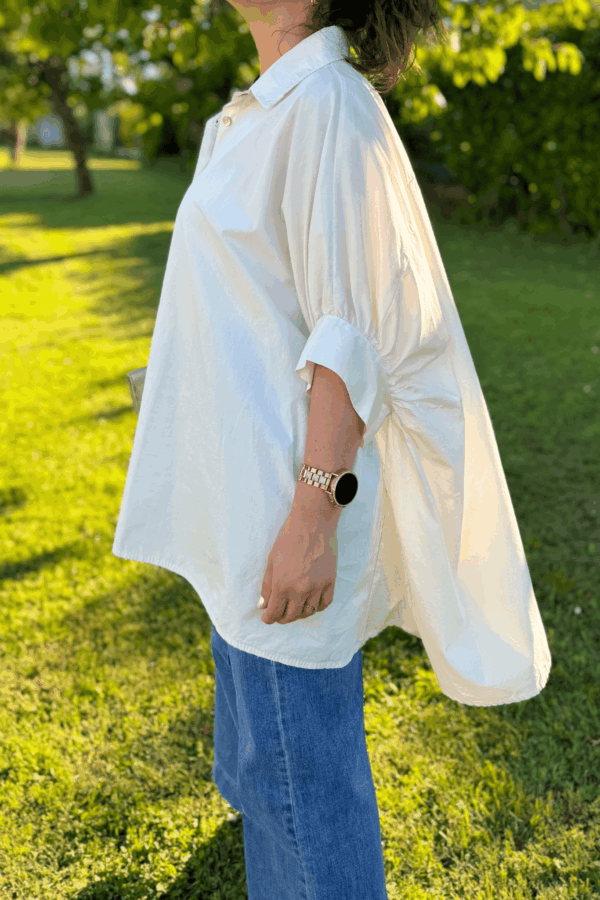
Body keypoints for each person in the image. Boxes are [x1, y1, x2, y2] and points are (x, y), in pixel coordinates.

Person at [112, 1, 552, 896]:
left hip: (286, 509)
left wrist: (314, 517)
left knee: (300, 786)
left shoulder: (329, 106)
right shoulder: (260, 109)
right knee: (259, 767)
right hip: (241, 502)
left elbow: (352, 335)